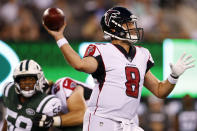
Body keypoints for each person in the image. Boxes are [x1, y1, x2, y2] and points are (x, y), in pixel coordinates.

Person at [42, 6, 195, 131]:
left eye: (132, 24)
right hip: (103, 122)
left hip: (129, 124)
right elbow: (79, 64)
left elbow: (160, 91)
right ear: (114, 29)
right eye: (128, 24)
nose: (133, 28)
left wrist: (173, 76)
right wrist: (59, 37)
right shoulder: (102, 50)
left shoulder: (142, 54)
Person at [1, 59, 62, 131]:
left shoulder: (47, 103)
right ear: (16, 81)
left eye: (31, 79)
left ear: (39, 80)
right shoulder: (9, 90)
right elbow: (8, 120)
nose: (27, 83)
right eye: (23, 79)